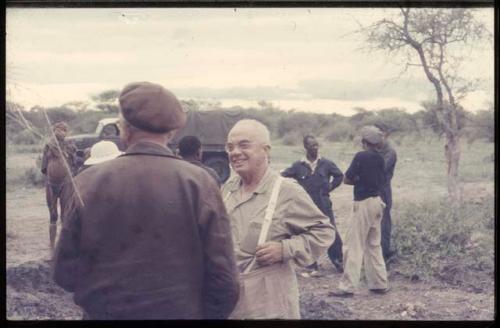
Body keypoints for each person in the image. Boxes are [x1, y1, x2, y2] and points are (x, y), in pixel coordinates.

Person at [52, 81, 239, 320]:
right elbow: (224, 280)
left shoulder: (87, 181)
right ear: (172, 132)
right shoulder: (200, 182)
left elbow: (64, 273)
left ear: (123, 128)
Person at [222, 119, 335, 319]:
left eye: (243, 145)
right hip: (230, 300)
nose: (235, 152)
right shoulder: (228, 189)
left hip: (269, 303)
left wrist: (285, 249)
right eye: (230, 147)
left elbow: (323, 231)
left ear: (265, 150)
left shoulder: (286, 191)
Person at [330, 126, 389, 297]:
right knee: (373, 244)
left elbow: (347, 179)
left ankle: (347, 287)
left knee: (353, 245)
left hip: (363, 202)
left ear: (364, 142)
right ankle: (379, 283)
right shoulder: (380, 158)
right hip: (377, 202)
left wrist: (359, 179)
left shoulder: (361, 156)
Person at [282, 134, 344, 276]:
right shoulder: (298, 166)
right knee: (307, 233)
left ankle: (339, 261)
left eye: (316, 145)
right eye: (312, 145)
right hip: (306, 207)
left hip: (323, 204)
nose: (315, 148)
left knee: (331, 231)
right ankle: (311, 265)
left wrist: (330, 187)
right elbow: (283, 177)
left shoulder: (326, 163)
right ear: (305, 147)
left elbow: (339, 176)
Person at [40, 121, 76, 251]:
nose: (61, 132)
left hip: (66, 183)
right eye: (59, 129)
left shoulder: (69, 145)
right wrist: (52, 173)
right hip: (51, 183)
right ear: (54, 130)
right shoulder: (48, 146)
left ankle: (64, 244)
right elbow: (43, 167)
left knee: (65, 214)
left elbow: (73, 163)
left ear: (67, 132)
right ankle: (52, 246)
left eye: (64, 130)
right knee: (53, 215)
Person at [373, 123, 397, 263]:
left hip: (383, 189)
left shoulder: (390, 151)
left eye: (379, 134)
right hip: (373, 189)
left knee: (384, 221)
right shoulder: (376, 148)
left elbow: (380, 170)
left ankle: (385, 253)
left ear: (384, 135)